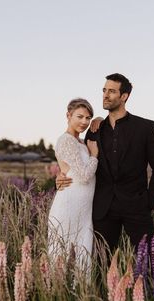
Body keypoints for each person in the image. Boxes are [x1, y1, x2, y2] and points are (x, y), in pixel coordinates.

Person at [56, 73, 154, 256]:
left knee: (150, 260)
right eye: (104, 90)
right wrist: (61, 178)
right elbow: (77, 163)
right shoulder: (94, 130)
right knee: (100, 265)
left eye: (112, 91)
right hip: (103, 208)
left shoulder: (145, 127)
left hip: (137, 205)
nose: (105, 95)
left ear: (124, 96)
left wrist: (150, 201)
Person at [48, 98, 98, 273]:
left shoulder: (80, 142)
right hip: (69, 205)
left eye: (88, 118)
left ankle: (79, 296)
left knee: (81, 257)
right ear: (68, 115)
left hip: (83, 209)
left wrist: (98, 119)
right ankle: (57, 296)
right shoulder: (66, 141)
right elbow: (84, 176)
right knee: (61, 258)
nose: (84, 122)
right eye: (80, 116)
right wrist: (94, 156)